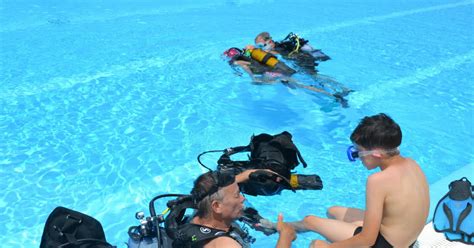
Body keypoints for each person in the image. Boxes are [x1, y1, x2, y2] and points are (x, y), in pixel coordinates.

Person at [259, 113, 430, 247]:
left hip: (386, 244)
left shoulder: (378, 180)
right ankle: (283, 228)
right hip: (402, 238)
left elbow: (368, 239)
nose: (358, 157)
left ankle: (277, 228)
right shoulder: (411, 164)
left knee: (314, 234)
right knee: (333, 211)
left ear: (377, 154)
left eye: (358, 152)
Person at [177, 169, 296, 248]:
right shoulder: (225, 245)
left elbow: (216, 188)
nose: (242, 199)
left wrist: (250, 174)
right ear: (217, 206)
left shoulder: (201, 209)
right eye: (237, 195)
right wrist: (286, 236)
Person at [254, 32, 353, 98]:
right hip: (304, 61)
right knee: (317, 78)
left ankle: (334, 94)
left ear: (270, 42)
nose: (261, 49)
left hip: (302, 63)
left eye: (261, 46)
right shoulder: (282, 45)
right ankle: (344, 89)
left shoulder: (277, 50)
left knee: (309, 81)